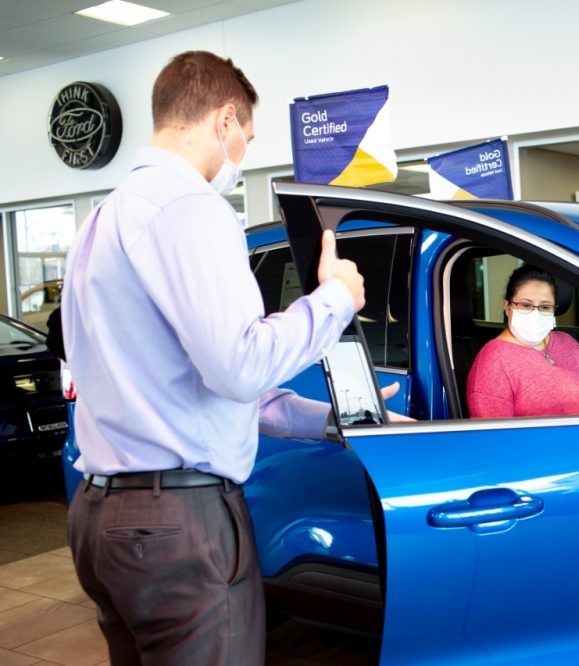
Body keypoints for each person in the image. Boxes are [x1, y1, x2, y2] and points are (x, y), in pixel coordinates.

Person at [62, 51, 365, 665]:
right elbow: (239, 365)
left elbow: (203, 384)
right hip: (177, 522)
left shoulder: (103, 219)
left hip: (101, 519)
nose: (242, 155)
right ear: (224, 119)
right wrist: (333, 300)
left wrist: (332, 421)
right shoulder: (190, 207)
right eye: (247, 138)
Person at [466, 264, 579, 417]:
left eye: (545, 307)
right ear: (507, 306)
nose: (536, 313)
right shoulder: (493, 360)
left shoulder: (568, 342)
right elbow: (496, 440)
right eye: (526, 305)